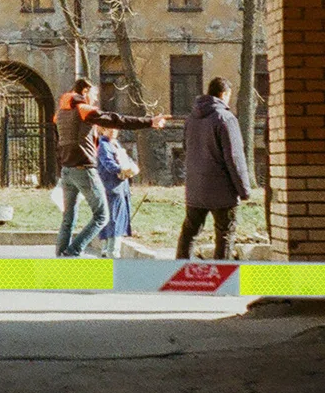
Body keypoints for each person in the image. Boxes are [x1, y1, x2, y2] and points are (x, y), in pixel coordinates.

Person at [53, 78, 167, 257]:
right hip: (84, 170)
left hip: (66, 171)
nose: (96, 99)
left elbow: (59, 141)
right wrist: (149, 121)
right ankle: (72, 252)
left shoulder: (60, 113)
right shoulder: (83, 110)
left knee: (68, 219)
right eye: (94, 95)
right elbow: (116, 120)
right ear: (85, 91)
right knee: (101, 216)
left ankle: (60, 258)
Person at [177, 76, 251, 260]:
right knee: (225, 233)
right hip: (222, 190)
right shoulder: (225, 118)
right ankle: (221, 275)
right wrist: (244, 190)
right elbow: (234, 157)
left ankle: (180, 271)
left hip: (195, 188)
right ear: (223, 94)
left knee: (190, 232)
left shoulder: (191, 119)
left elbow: (186, 148)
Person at [93, 126, 138, 257]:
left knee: (114, 218)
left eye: (115, 128)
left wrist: (132, 167)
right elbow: (109, 164)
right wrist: (123, 169)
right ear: (102, 130)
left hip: (120, 186)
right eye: (109, 128)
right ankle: (113, 252)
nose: (113, 131)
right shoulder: (103, 145)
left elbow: (125, 159)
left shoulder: (115, 143)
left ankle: (106, 250)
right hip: (111, 187)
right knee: (115, 219)